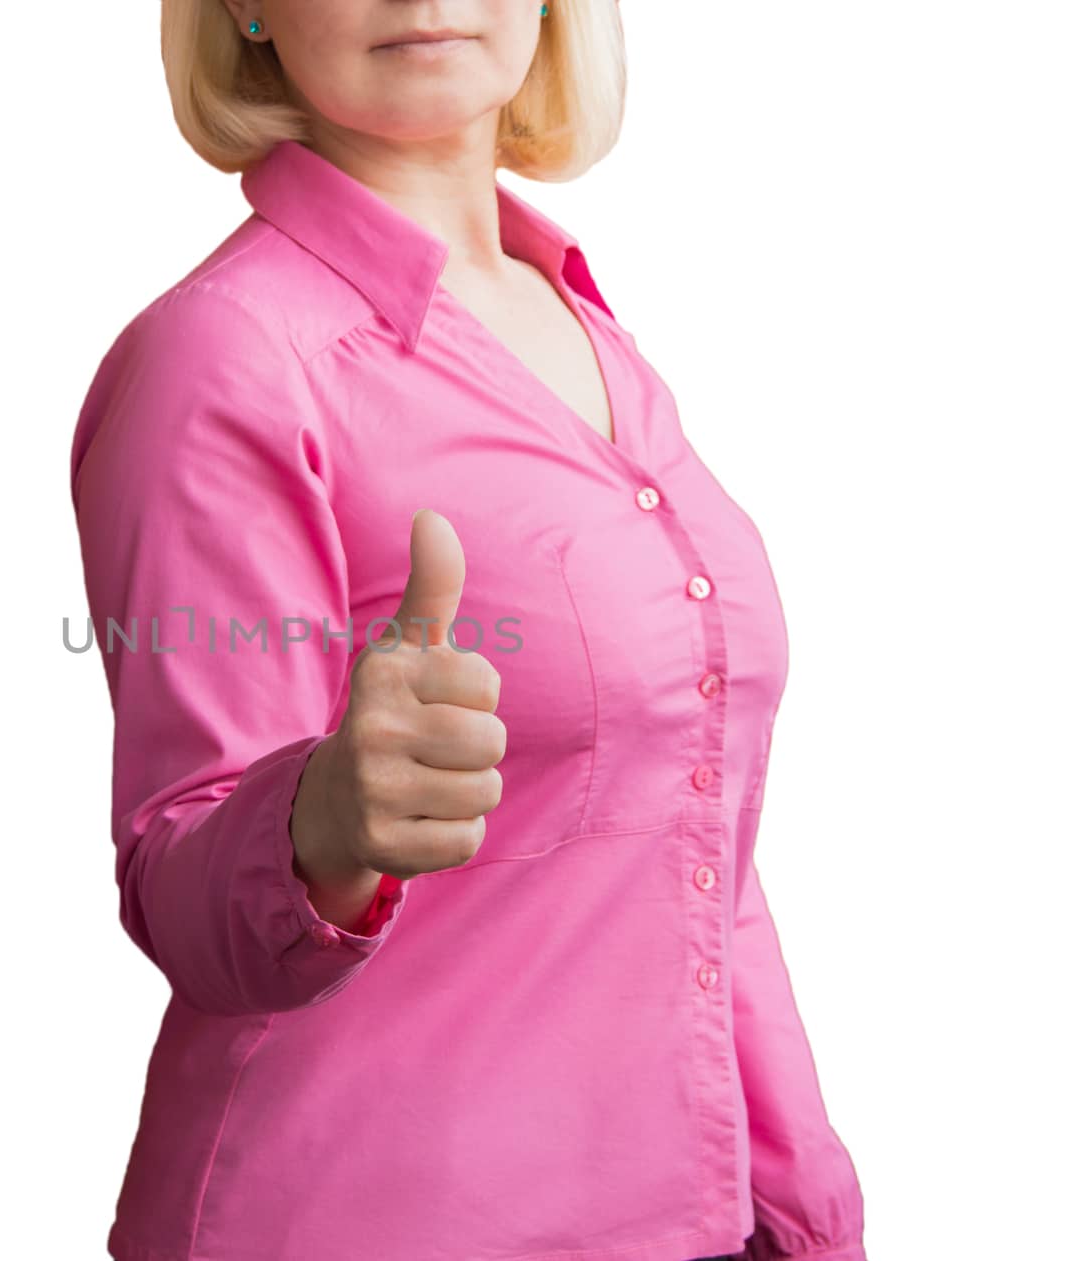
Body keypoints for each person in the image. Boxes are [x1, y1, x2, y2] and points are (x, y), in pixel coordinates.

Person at [68, 2, 868, 1258]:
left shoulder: (589, 331)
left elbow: (697, 841)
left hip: (686, 1219)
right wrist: (318, 821)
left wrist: (800, 1202)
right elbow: (176, 871)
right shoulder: (222, 359)